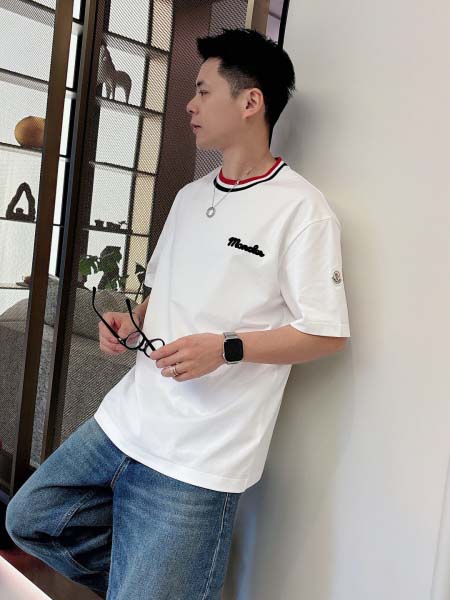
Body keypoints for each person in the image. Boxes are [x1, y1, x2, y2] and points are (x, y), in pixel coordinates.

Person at [6, 28, 351, 599]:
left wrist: (226, 348)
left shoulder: (301, 210)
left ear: (250, 102)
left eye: (203, 91)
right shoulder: (191, 196)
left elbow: (325, 333)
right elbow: (163, 291)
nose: (189, 104)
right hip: (124, 423)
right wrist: (134, 320)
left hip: (199, 459)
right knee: (31, 518)